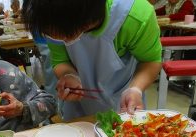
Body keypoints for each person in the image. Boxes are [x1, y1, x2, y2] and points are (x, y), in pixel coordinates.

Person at [21, 0, 162, 121]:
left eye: (64, 36)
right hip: (80, 106)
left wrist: (136, 88)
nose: (62, 41)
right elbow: (60, 60)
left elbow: (150, 61)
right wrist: (68, 76)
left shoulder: (134, 16)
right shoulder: (52, 20)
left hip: (123, 101)